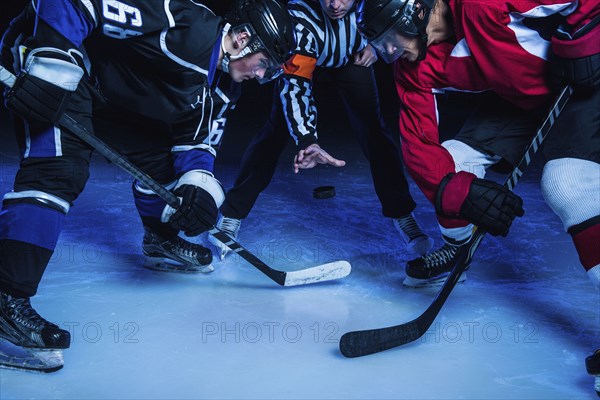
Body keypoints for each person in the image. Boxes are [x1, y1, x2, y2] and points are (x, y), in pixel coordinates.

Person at [0, 0, 295, 371]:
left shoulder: (224, 88)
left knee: (167, 164)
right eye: (265, 63)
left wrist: (198, 189)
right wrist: (53, 59)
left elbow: (198, 143)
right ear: (243, 38)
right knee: (59, 171)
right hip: (59, 65)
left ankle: (159, 238)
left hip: (106, 94)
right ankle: (7, 299)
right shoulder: (185, 26)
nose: (261, 74)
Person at [356, 0, 599, 392]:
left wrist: (589, 32)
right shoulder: (414, 67)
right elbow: (419, 145)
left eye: (387, 40)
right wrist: (461, 193)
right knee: (452, 166)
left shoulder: (482, 4)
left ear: (414, 11)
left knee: (568, 183)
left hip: (583, 85)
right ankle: (458, 249)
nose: (387, 53)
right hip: (523, 103)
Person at [209, 0, 433, 260]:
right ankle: (232, 213)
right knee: (273, 134)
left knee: (375, 132)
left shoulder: (374, 5)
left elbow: (397, 19)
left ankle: (402, 212)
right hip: (305, 60)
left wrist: (375, 43)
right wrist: (307, 140)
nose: (335, 5)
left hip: (352, 61)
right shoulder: (300, 21)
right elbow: (295, 86)